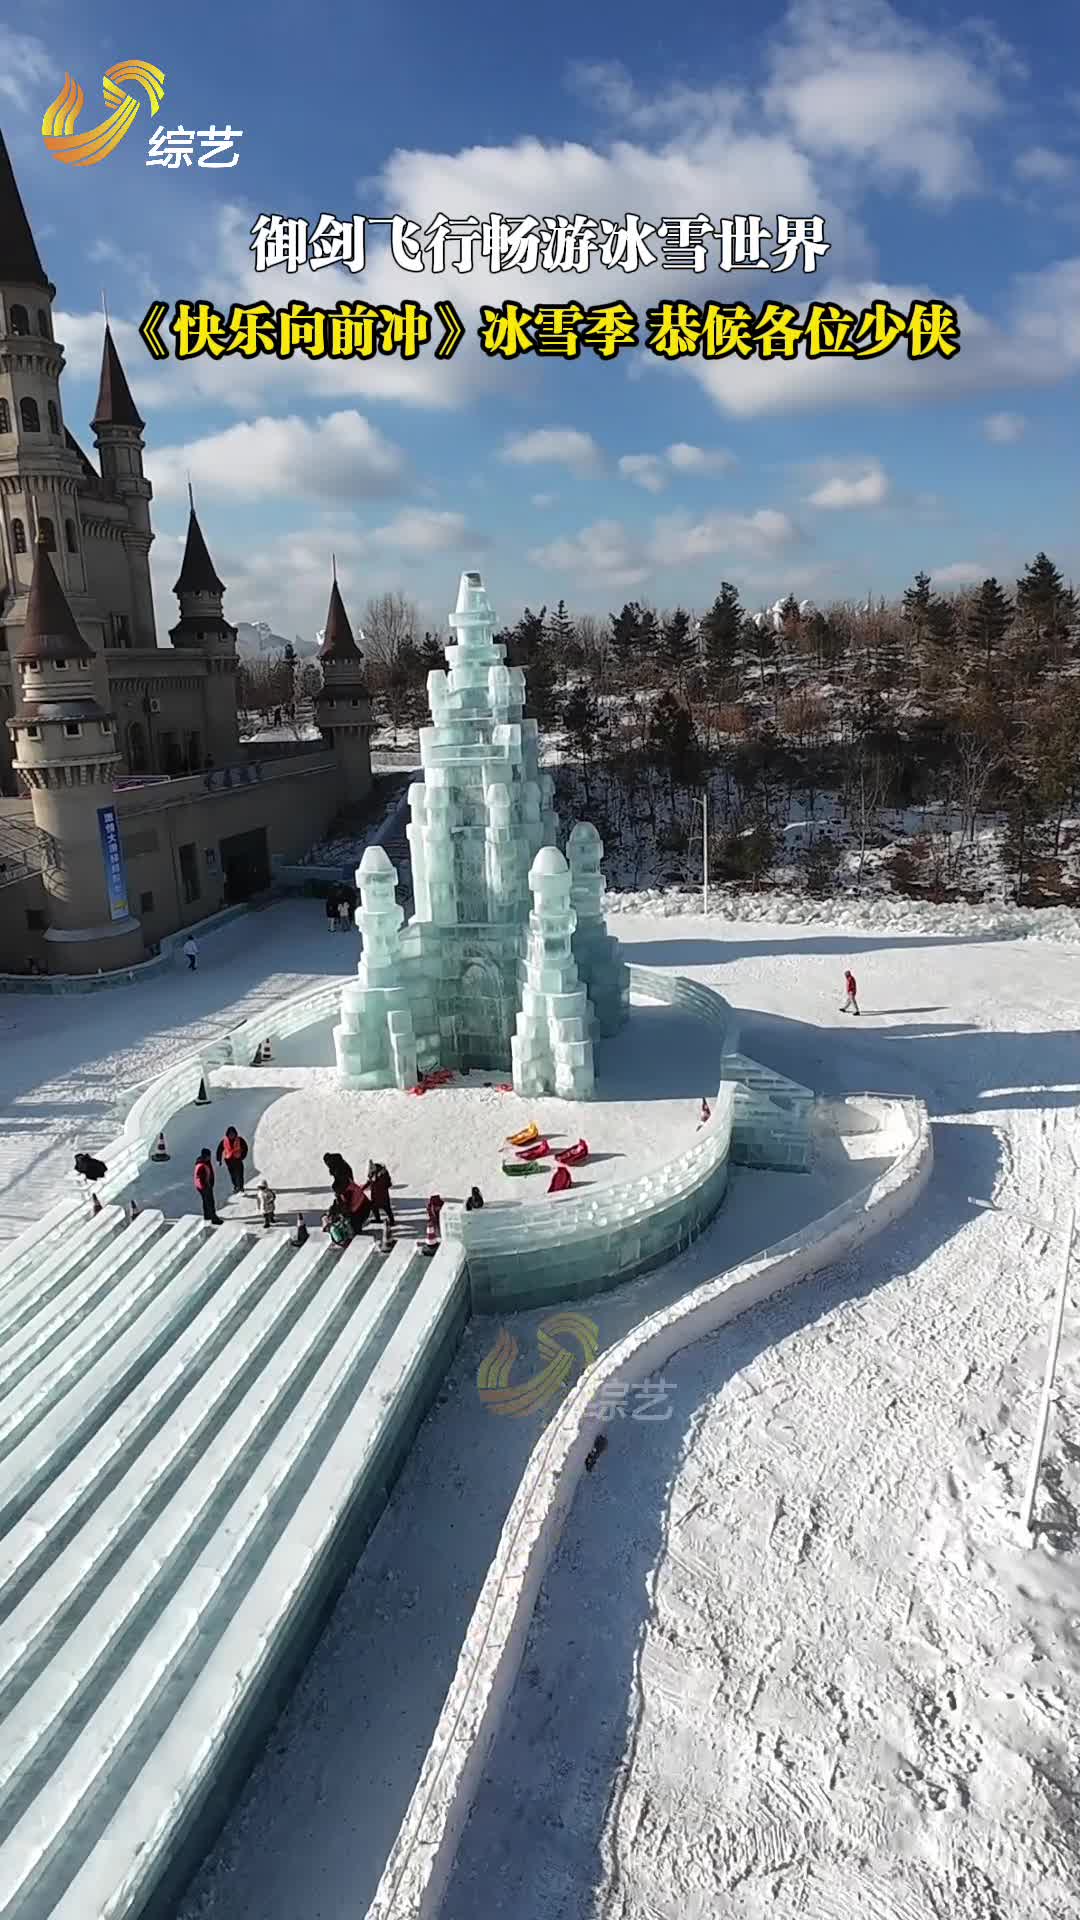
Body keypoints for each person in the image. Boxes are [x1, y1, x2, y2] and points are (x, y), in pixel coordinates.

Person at [215, 1126, 249, 1194]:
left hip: (238, 1160)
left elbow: (245, 1148)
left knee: (240, 1174)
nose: (231, 1135)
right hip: (229, 1161)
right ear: (227, 1134)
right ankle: (236, 1186)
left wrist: (243, 1156)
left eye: (233, 1134)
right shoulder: (224, 1141)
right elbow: (219, 1150)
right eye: (230, 1134)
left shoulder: (240, 1140)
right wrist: (219, 1160)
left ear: (235, 1133)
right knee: (233, 1174)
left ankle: (241, 1187)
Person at [193, 1148, 221, 1224]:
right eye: (208, 1156)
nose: (209, 1157)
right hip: (204, 1187)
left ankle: (207, 1215)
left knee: (206, 1201)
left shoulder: (205, 1162)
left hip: (204, 1186)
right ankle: (214, 1218)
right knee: (210, 1202)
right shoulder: (201, 1165)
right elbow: (200, 1177)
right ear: (204, 1156)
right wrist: (206, 1186)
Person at [367, 1161, 394, 1226]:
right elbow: (371, 1181)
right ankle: (378, 1219)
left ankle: (392, 1221)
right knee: (374, 1207)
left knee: (387, 1208)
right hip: (375, 1195)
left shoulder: (383, 1173)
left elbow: (388, 1183)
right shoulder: (373, 1174)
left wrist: (376, 1181)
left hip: (383, 1195)